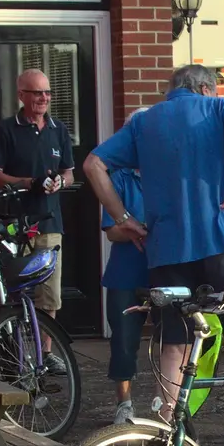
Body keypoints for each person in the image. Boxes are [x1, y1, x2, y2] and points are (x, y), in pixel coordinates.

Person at [80, 65, 224, 418]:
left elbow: (93, 165)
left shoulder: (143, 122)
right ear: (203, 88)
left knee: (175, 343)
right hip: (221, 242)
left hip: (166, 252)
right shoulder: (215, 108)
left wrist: (124, 219)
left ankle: (166, 435)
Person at [0, 68, 75, 373]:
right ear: (21, 95)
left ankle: (45, 353)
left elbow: (68, 172)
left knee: (49, 294)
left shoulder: (58, 129)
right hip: (15, 225)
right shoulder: (5, 129)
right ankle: (18, 354)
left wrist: (59, 183)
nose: (43, 98)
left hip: (49, 222)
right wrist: (27, 182)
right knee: (17, 293)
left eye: (47, 92)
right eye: (36, 92)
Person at [99, 110, 150, 427]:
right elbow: (111, 230)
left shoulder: (167, 174)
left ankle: (170, 407)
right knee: (124, 341)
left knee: (175, 341)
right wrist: (140, 230)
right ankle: (125, 406)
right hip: (126, 273)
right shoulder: (116, 178)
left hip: (165, 271)